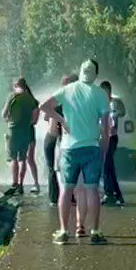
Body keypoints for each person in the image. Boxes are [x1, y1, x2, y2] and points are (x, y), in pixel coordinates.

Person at [39, 60, 114, 245]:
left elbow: (44, 107)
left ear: (80, 71)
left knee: (67, 189)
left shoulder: (67, 90)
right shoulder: (101, 94)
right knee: (92, 190)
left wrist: (61, 120)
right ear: (95, 74)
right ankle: (95, 231)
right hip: (91, 147)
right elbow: (105, 130)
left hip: (69, 149)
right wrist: (104, 151)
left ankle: (64, 231)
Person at [1, 78, 39, 196]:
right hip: (27, 131)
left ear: (15, 85)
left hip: (14, 130)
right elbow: (34, 120)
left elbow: (4, 114)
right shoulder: (32, 99)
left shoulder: (12, 97)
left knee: (13, 158)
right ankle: (21, 184)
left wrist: (9, 120)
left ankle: (14, 183)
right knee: (23, 158)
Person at [43, 74, 75, 207]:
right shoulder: (64, 100)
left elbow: (46, 117)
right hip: (56, 138)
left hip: (53, 137)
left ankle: (55, 198)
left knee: (56, 168)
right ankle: (59, 197)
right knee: (60, 168)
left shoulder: (60, 99)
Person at [99, 80, 128, 207]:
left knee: (107, 165)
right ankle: (117, 194)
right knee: (109, 167)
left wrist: (116, 111)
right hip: (102, 137)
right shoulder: (99, 103)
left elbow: (122, 112)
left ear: (109, 91)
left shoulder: (114, 102)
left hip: (112, 137)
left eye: (106, 91)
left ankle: (108, 193)